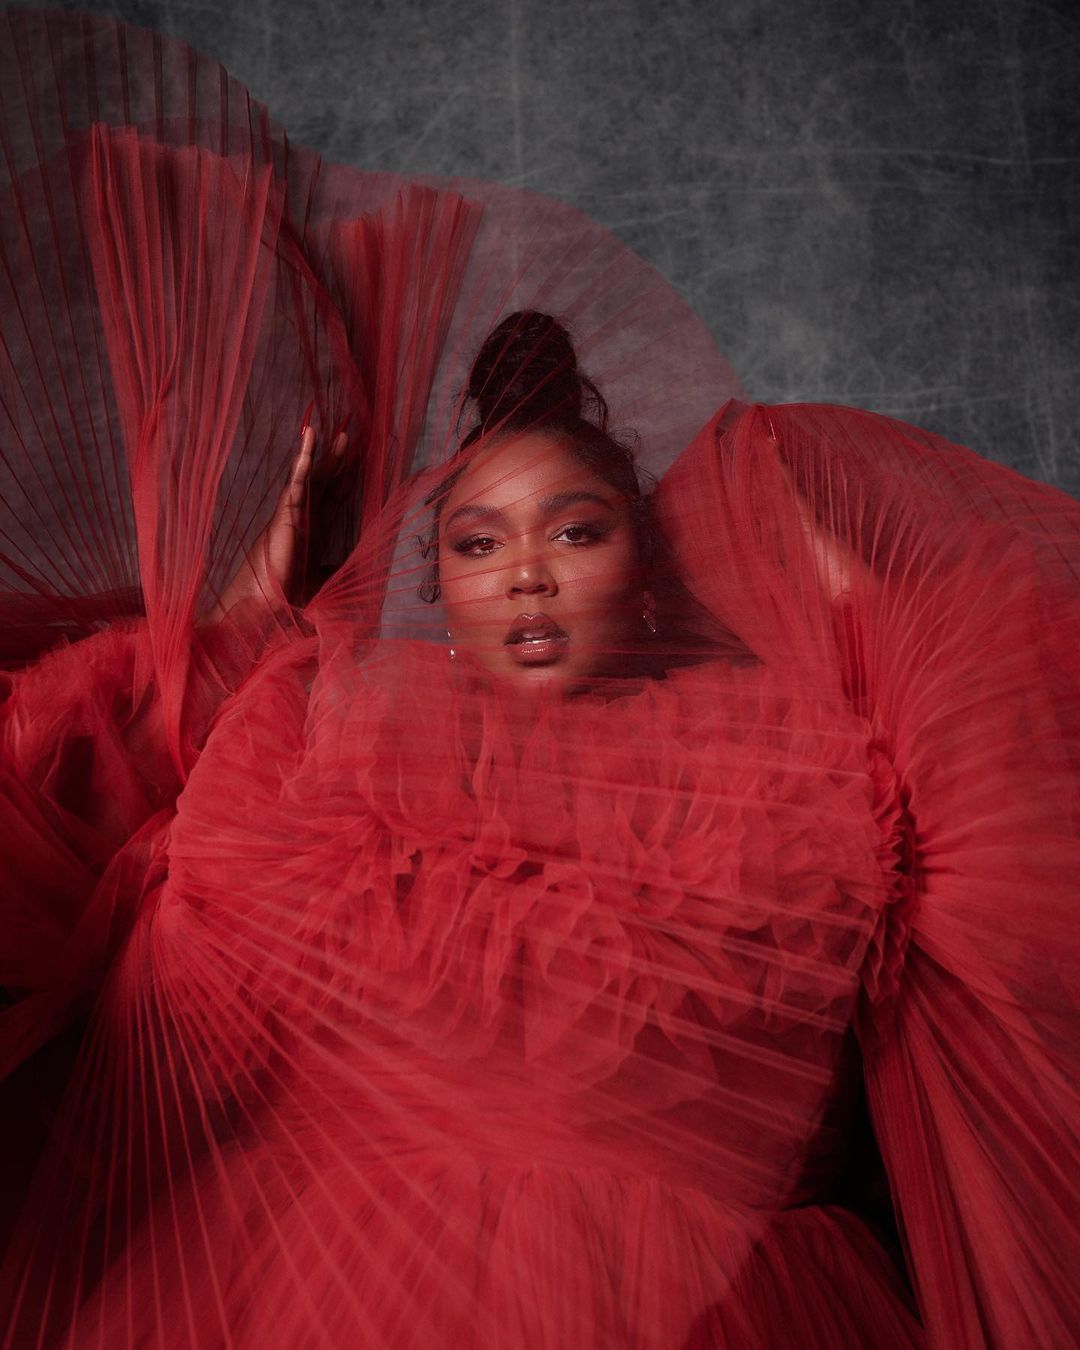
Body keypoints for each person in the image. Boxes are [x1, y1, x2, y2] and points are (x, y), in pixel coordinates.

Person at [1, 11, 1077, 1349]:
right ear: (441, 600)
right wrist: (246, 616)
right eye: (475, 543)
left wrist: (854, 589)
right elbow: (97, 802)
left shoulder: (773, 750)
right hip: (337, 1273)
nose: (523, 573)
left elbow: (1006, 758)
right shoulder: (338, 727)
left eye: (573, 533)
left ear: (647, 572)